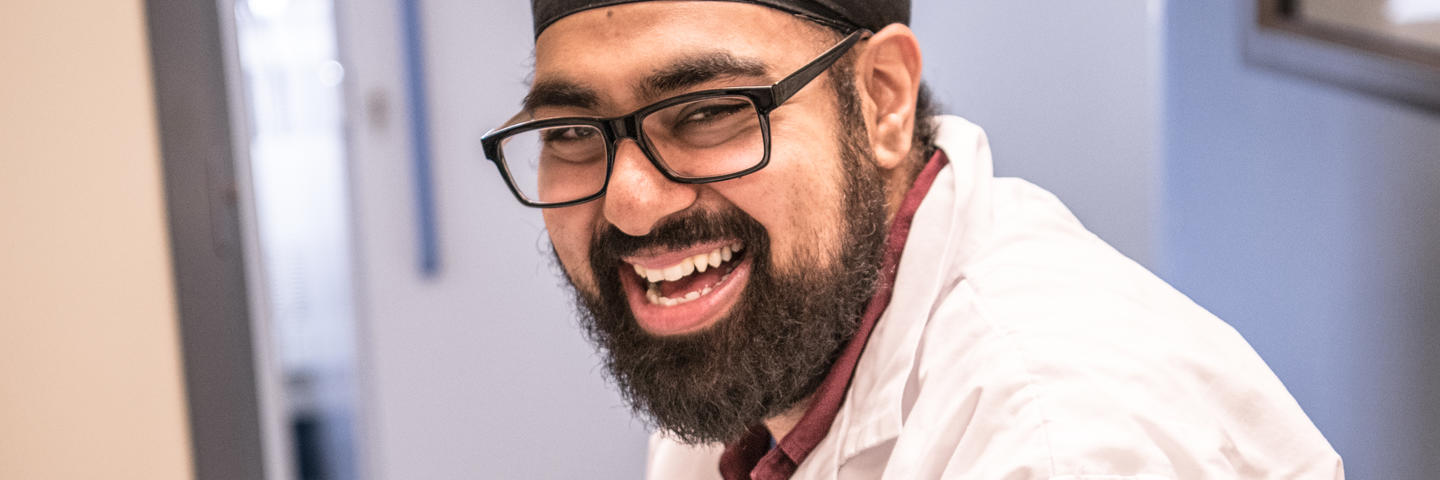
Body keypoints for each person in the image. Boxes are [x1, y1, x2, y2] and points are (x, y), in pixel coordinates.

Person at [480, 1, 1345, 478]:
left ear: (884, 99)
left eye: (709, 112)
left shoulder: (1056, 441)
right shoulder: (769, 347)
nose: (631, 204)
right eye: (569, 130)